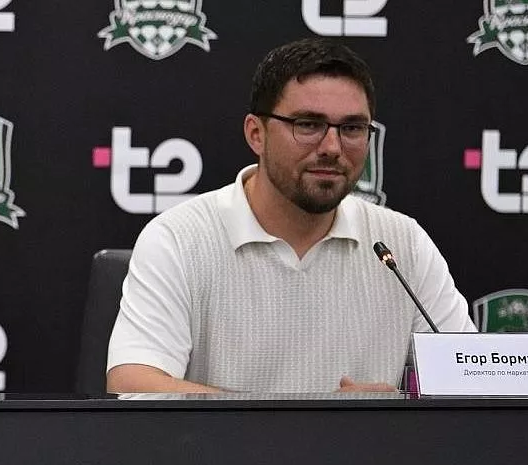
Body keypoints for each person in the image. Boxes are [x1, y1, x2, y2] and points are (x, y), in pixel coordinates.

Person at [106, 38, 475, 394]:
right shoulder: (179, 238)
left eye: (351, 128)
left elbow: (471, 383)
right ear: (256, 134)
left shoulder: (401, 243)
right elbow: (135, 383)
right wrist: (317, 418)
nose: (332, 147)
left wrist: (390, 413)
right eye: (308, 125)